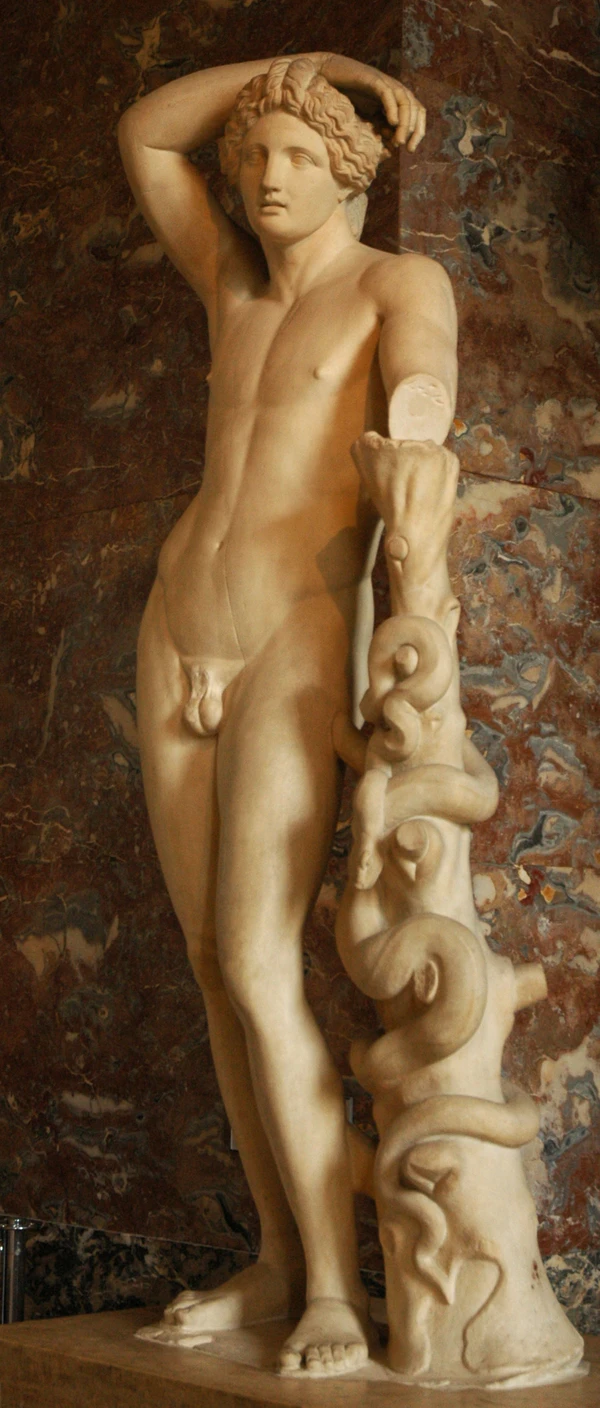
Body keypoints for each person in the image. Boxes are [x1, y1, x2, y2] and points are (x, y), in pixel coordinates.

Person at [117, 52, 457, 1376]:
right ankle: (271, 1259)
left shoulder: (394, 285)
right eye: (254, 155)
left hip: (293, 641)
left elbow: (422, 395)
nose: (266, 177)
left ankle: (332, 1289)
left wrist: (419, 437)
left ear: (350, 172)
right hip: (178, 630)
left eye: (300, 156)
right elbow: (148, 135)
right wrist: (310, 71)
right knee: (213, 963)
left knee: (264, 966)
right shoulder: (233, 285)